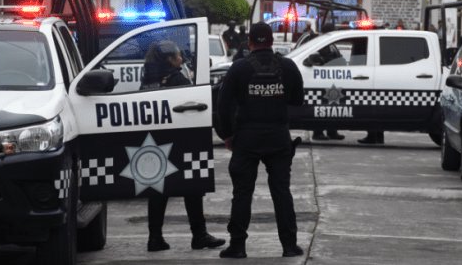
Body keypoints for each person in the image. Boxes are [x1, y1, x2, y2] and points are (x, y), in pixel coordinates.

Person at [217, 22, 305, 259]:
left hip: (247, 137)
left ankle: (238, 245)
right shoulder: (287, 66)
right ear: (272, 41)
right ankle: (289, 245)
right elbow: (298, 100)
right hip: (278, 137)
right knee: (281, 192)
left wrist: (227, 135)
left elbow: (223, 107)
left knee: (242, 193)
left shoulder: (239, 68)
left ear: (250, 43)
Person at [140, 40, 225, 252]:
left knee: (158, 189)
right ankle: (199, 235)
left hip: (156, 141)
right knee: (193, 186)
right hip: (182, 140)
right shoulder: (177, 78)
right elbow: (194, 102)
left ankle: (155, 238)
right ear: (169, 59)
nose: (181, 58)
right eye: (177, 55)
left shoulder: (148, 81)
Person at [311, 23, 344, 141]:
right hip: (323, 79)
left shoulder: (331, 44)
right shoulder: (322, 44)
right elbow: (323, 59)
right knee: (322, 108)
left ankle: (332, 131)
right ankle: (318, 132)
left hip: (333, 79)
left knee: (332, 108)